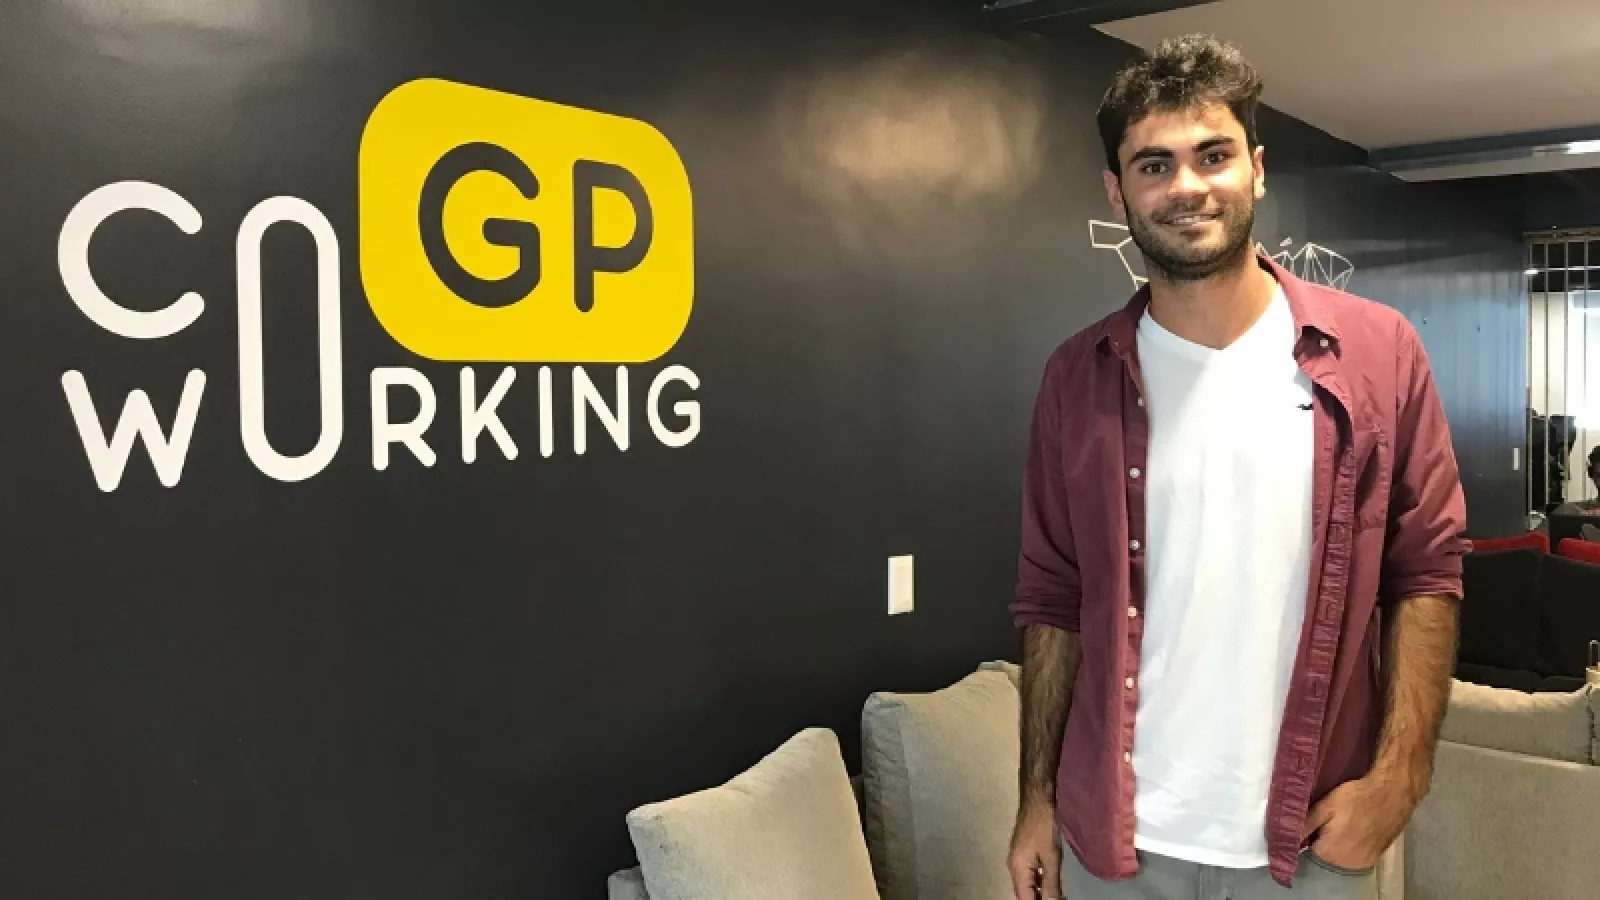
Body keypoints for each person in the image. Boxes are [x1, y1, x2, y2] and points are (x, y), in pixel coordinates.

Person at [1006, 35, 1468, 900]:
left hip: (1308, 843)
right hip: (1116, 847)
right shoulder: (1077, 375)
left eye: (1212, 155)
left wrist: (1401, 777)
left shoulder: (1377, 354)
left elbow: (1425, 574)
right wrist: (1036, 801)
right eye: (1154, 165)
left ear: (1255, 170)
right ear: (1116, 191)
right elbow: (1052, 600)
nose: (1186, 186)